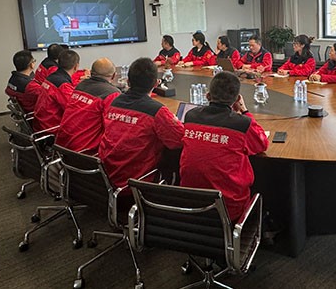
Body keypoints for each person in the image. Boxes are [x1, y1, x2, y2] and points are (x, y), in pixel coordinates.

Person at [180, 71, 269, 221]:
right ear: (237, 99)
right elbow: (262, 144)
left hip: (190, 204)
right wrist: (245, 111)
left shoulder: (190, 117)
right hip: (229, 210)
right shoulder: (242, 124)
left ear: (208, 96)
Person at [99, 58, 184, 189]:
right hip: (137, 183)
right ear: (156, 83)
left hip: (106, 177)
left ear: (128, 82)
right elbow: (180, 140)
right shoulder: (156, 111)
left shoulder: (114, 103)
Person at [55, 58, 121, 153]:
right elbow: (112, 129)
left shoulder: (80, 86)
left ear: (90, 72)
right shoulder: (111, 94)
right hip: (84, 152)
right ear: (114, 76)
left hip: (61, 146)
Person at [33, 49, 80, 131]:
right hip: (51, 129)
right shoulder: (62, 85)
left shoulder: (50, 78)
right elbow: (73, 110)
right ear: (76, 66)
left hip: (40, 124)